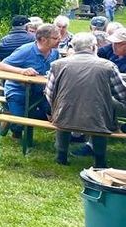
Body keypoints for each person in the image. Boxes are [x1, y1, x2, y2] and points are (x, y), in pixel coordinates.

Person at [45, 32, 126, 168]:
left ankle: (61, 155)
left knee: (64, 109)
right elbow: (122, 94)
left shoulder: (57, 64)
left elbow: (49, 93)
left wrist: (57, 106)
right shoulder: (108, 66)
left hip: (64, 115)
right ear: (94, 47)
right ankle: (100, 160)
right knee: (100, 110)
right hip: (97, 117)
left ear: (73, 47)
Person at [0, 23, 61, 138]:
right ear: (43, 39)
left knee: (54, 115)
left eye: (59, 37)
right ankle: (3, 118)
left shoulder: (55, 53)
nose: (59, 40)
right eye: (56, 38)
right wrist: (22, 71)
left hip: (41, 92)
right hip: (18, 90)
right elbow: (1, 65)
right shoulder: (25, 50)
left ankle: (12, 115)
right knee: (19, 126)